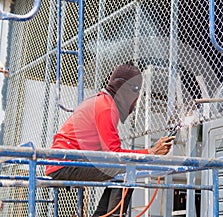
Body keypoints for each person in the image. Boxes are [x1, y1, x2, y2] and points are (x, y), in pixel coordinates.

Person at [45, 62, 175, 216]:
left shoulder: (102, 102)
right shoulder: (106, 107)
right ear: (127, 90)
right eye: (137, 92)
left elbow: (110, 155)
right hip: (65, 163)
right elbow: (115, 155)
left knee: (119, 170)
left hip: (65, 160)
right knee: (127, 169)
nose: (136, 99)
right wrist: (151, 152)